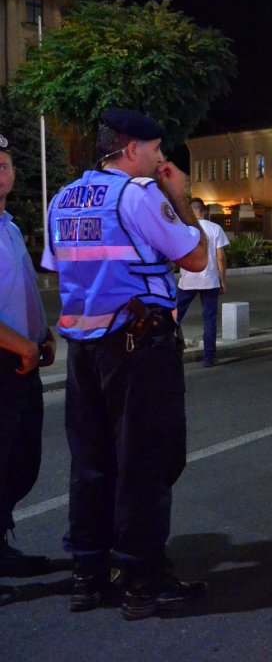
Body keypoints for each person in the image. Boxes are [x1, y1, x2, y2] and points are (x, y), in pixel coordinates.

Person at [43, 108, 209, 619]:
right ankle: (143, 578)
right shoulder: (137, 197)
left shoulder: (62, 199)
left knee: (91, 462)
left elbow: (58, 267)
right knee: (146, 459)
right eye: (157, 149)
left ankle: (88, 575)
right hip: (138, 348)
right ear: (132, 147)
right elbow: (197, 258)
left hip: (84, 350)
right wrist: (180, 195)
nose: (161, 159)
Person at [0, 133, 55, 607]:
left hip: (22, 359)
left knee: (20, 462)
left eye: (4, 163)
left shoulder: (11, 226)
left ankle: (0, 547)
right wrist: (21, 345)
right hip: (4, 360)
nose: (0, 171)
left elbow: (24, 290)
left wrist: (43, 334)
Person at [175, 198, 229, 367]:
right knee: (209, 320)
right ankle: (209, 358)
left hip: (187, 281)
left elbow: (176, 255)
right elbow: (221, 257)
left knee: (174, 316)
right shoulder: (215, 229)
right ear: (204, 211)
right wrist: (223, 280)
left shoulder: (183, 230)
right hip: (210, 280)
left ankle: (167, 353)